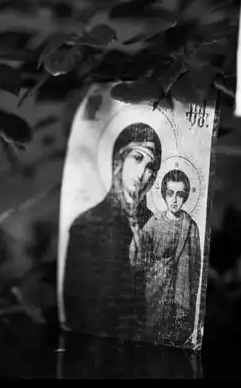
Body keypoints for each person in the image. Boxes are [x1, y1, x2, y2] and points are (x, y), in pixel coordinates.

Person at [63, 122, 162, 340]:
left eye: (150, 167)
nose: (142, 173)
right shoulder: (86, 225)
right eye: (137, 158)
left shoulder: (157, 226)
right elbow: (77, 305)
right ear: (119, 159)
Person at [130, 169, 202, 348]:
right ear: (163, 194)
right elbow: (139, 256)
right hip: (155, 288)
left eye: (179, 194)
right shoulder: (154, 223)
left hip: (181, 293)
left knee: (174, 340)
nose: (174, 200)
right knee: (152, 337)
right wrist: (136, 241)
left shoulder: (190, 227)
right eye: (170, 193)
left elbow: (195, 265)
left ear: (185, 196)